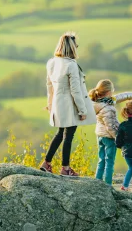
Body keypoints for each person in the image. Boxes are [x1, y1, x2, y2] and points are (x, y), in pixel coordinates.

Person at [40, 32, 96, 177]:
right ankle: (65, 168)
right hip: (70, 104)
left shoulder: (52, 62)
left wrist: (50, 105)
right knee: (68, 136)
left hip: (58, 103)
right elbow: (75, 90)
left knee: (60, 133)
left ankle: (46, 163)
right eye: (76, 45)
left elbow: (49, 86)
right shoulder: (71, 65)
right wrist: (82, 110)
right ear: (72, 48)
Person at [89, 79, 132, 185]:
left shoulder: (99, 101)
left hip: (99, 135)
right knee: (109, 162)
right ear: (109, 92)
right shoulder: (107, 107)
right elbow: (111, 127)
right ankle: (107, 184)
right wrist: (118, 139)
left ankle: (97, 182)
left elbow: (119, 97)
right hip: (109, 137)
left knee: (101, 160)